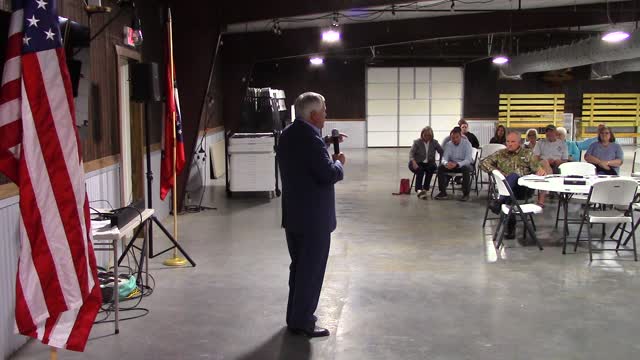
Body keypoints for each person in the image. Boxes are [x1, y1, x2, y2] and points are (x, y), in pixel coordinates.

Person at [276, 92, 345, 338]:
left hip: (294, 215)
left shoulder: (288, 135)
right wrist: (339, 163)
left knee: (299, 268)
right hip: (314, 219)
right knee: (311, 271)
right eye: (324, 110)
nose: (326, 113)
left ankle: (295, 317)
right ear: (314, 115)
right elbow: (326, 174)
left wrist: (325, 140)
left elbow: (303, 157)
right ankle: (304, 321)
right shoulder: (310, 141)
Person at [481, 130, 546, 239]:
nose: (509, 144)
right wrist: (495, 171)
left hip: (523, 189)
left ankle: (499, 202)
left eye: (513, 141)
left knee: (514, 176)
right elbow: (483, 163)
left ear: (519, 142)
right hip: (507, 190)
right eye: (507, 141)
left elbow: (537, 169)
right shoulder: (500, 153)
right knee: (510, 197)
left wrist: (540, 171)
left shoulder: (527, 154)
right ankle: (510, 228)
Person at [532, 125, 568, 207]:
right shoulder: (540, 143)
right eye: (548, 132)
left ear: (555, 133)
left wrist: (557, 161)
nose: (550, 134)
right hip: (542, 163)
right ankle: (542, 198)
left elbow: (565, 160)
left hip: (557, 164)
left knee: (553, 167)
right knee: (545, 164)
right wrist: (547, 161)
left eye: (552, 132)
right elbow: (535, 158)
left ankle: (542, 199)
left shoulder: (562, 144)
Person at [434, 127, 473, 201]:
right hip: (451, 164)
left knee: (466, 169)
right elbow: (444, 158)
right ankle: (442, 192)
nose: (454, 139)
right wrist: (446, 163)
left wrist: (457, 164)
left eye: (456, 137)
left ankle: (466, 194)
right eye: (452, 138)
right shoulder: (448, 144)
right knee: (440, 168)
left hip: (463, 164)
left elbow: (468, 160)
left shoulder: (467, 144)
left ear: (460, 136)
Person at [409, 126, 444, 198]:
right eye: (425, 135)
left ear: (431, 135)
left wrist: (441, 161)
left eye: (429, 135)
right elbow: (411, 153)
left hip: (429, 163)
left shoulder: (434, 142)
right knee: (420, 170)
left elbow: (441, 151)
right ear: (422, 134)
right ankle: (419, 190)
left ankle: (425, 189)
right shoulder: (417, 142)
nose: (426, 137)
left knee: (431, 168)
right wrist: (413, 161)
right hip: (416, 162)